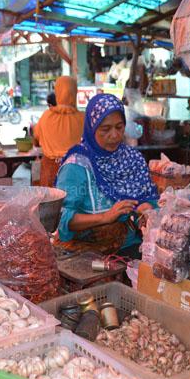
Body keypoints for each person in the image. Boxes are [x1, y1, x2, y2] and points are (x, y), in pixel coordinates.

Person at [55, 93, 159, 258]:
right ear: (92, 127)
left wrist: (146, 209)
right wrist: (105, 217)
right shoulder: (77, 166)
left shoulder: (132, 159)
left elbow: (149, 199)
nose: (114, 135)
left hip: (130, 246)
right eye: (105, 129)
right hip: (87, 252)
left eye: (119, 127)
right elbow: (62, 217)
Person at [33, 76, 84, 187]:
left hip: (50, 171)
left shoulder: (46, 116)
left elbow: (36, 139)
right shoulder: (83, 119)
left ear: (57, 92)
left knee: (50, 202)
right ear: (75, 93)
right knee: (74, 203)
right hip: (76, 171)